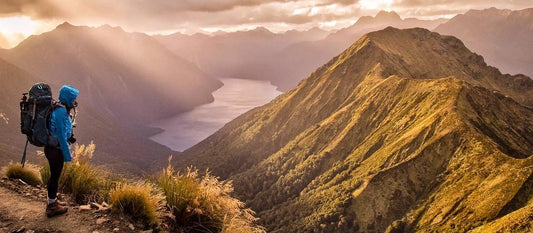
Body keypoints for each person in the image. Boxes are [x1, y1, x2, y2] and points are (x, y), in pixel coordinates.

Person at [45, 85, 79, 217]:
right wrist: (67, 155)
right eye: (74, 98)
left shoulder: (60, 110)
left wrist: (70, 135)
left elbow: (63, 130)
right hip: (55, 150)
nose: (75, 101)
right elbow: (60, 134)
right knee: (55, 176)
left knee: (54, 175)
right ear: (68, 98)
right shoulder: (60, 112)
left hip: (53, 148)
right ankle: (51, 207)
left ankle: (52, 201)